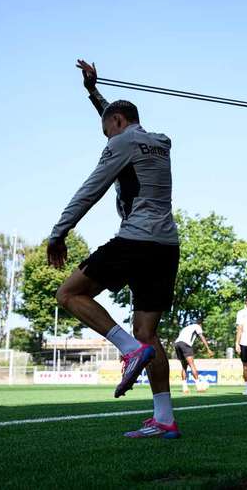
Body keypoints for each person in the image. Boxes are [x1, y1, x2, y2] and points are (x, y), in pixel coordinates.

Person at [48, 60, 180, 439]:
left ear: (118, 123)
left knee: (68, 293)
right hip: (166, 245)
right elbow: (119, 120)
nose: (105, 137)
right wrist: (94, 93)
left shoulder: (121, 141)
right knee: (148, 334)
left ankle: (127, 350)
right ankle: (165, 419)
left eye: (106, 129)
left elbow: (91, 189)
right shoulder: (159, 143)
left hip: (135, 239)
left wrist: (59, 232)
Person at [174, 319, 214, 394]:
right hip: (185, 344)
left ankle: (184, 388)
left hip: (177, 344)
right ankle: (198, 386)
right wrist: (208, 349)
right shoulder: (197, 326)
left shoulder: (186, 328)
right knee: (191, 364)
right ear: (200, 324)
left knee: (184, 367)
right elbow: (202, 337)